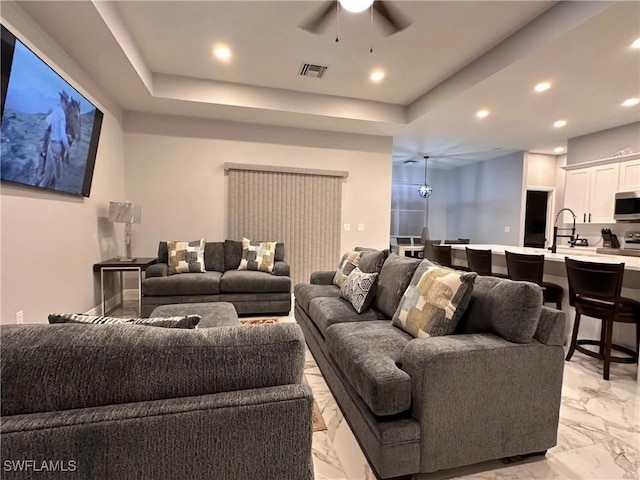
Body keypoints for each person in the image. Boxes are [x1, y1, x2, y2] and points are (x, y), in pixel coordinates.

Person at [39, 91, 71, 188]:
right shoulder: (62, 114)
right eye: (67, 103)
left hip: (50, 147)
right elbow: (62, 137)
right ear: (64, 102)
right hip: (57, 148)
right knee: (59, 180)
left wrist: (53, 133)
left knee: (47, 177)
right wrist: (69, 150)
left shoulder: (55, 111)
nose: (67, 106)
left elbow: (46, 123)